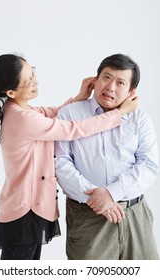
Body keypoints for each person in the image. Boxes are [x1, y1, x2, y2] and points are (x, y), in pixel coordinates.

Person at [0, 54, 137, 260]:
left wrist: (77, 99)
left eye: (33, 73)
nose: (36, 82)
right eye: (29, 81)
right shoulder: (22, 118)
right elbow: (71, 128)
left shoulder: (19, 110)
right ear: (11, 92)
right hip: (26, 211)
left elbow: (50, 113)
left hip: (29, 208)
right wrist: (118, 114)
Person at [55, 53, 159, 260]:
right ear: (95, 80)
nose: (110, 87)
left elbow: (149, 164)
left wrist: (111, 193)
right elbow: (60, 163)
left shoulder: (139, 118)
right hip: (88, 217)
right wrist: (97, 200)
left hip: (134, 213)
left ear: (131, 92)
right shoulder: (69, 114)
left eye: (120, 82)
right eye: (106, 77)